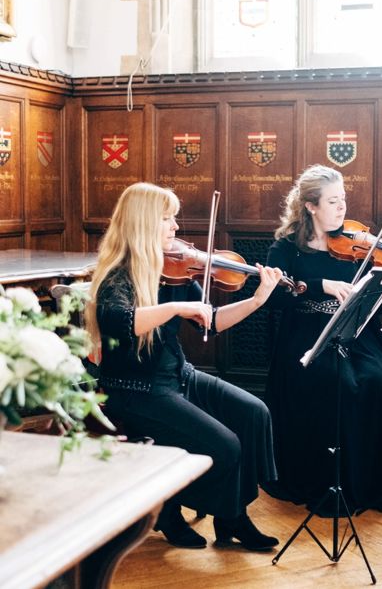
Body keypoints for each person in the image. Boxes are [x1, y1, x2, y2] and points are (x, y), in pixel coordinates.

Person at [85, 181, 283, 551]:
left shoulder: (175, 268)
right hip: (136, 390)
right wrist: (174, 308)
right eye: (167, 219)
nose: (176, 228)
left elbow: (213, 320)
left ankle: (230, 519)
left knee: (254, 413)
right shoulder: (118, 275)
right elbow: (119, 321)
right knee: (225, 447)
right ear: (144, 224)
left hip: (177, 375)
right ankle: (170, 507)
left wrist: (257, 300)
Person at [263, 164, 382, 516]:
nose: (342, 208)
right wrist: (321, 286)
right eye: (333, 201)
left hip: (355, 332)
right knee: (334, 380)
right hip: (305, 335)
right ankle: (329, 484)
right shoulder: (286, 249)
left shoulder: (357, 244)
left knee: (375, 378)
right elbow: (274, 297)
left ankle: (374, 485)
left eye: (343, 199)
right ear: (311, 206)